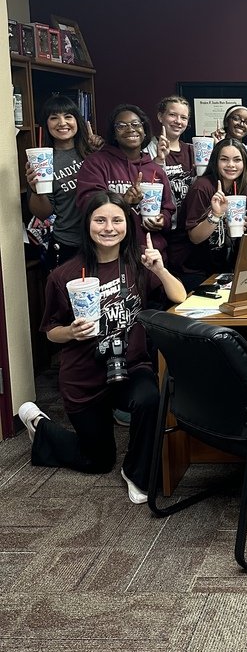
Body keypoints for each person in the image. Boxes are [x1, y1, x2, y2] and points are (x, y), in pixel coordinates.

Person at [18, 192, 186, 504]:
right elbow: (50, 333)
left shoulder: (137, 265)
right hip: (84, 376)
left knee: (150, 398)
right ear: (88, 225)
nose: (108, 227)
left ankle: (137, 474)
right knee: (97, 460)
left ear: (128, 225)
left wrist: (160, 269)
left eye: (116, 220)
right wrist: (70, 331)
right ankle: (41, 427)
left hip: (130, 365)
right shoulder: (63, 275)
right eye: (100, 220)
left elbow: (179, 297)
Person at [76, 103, 175, 256]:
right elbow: (87, 204)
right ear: (114, 133)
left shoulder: (155, 169)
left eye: (136, 124)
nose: (130, 129)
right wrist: (123, 200)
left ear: (144, 130)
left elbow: (168, 209)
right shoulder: (96, 163)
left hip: (152, 252)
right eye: (121, 126)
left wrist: (163, 221)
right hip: (111, 253)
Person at [25, 94, 102, 266]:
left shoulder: (92, 152)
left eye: (68, 116)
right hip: (68, 244)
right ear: (45, 124)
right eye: (54, 118)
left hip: (102, 238)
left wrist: (100, 152)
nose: (62, 123)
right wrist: (37, 189)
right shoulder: (42, 160)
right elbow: (43, 213)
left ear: (77, 121)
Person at [184, 138, 247, 282]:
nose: (231, 165)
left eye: (237, 160)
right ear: (215, 161)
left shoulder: (242, 189)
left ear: (245, 163)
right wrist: (216, 215)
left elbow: (230, 240)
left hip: (224, 267)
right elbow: (194, 238)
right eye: (224, 159)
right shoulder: (202, 187)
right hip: (195, 269)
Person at [146, 95, 196, 273]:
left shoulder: (193, 150)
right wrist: (159, 160)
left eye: (183, 117)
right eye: (172, 115)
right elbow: (144, 183)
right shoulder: (146, 149)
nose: (178, 121)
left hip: (188, 232)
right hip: (162, 231)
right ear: (160, 117)